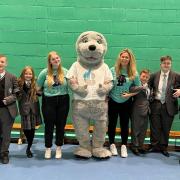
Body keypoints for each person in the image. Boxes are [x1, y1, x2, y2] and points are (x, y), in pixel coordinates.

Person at [108, 48, 141, 158]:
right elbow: (108, 84)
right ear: (120, 58)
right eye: (123, 56)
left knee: (124, 124)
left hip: (126, 102)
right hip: (113, 100)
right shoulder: (113, 70)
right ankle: (112, 144)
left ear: (130, 59)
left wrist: (129, 95)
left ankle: (123, 146)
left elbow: (138, 88)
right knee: (112, 123)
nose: (124, 59)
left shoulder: (134, 73)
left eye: (127, 57)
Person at [37, 51, 69, 159]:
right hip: (49, 101)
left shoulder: (65, 71)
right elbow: (37, 88)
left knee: (61, 125)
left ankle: (59, 147)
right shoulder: (44, 73)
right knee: (49, 125)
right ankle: (48, 148)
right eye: (53, 59)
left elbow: (73, 85)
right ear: (50, 62)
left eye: (57, 58)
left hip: (63, 100)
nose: (56, 60)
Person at [148, 55, 180, 157]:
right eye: (164, 63)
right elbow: (148, 87)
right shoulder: (154, 75)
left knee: (166, 128)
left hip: (169, 105)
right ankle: (154, 145)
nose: (166, 65)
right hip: (156, 104)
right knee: (155, 127)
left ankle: (163, 147)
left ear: (170, 64)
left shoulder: (176, 76)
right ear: (160, 64)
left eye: (168, 63)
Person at [18, 66, 42, 158]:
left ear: (32, 75)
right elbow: (16, 95)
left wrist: (38, 91)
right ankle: (28, 141)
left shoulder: (35, 83)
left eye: (30, 74)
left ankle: (28, 147)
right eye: (26, 73)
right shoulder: (19, 83)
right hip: (24, 109)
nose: (28, 75)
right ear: (23, 74)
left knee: (32, 129)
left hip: (34, 109)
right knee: (26, 129)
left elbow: (40, 93)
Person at [0, 54, 19, 164]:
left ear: (6, 64)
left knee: (6, 133)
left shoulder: (12, 77)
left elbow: (17, 93)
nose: (0, 64)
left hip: (7, 110)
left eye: (2, 62)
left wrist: (8, 99)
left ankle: (4, 153)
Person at [130, 69, 151, 156]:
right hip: (137, 110)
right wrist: (141, 87)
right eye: (143, 76)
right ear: (140, 77)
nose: (145, 78)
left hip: (146, 111)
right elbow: (131, 89)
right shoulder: (136, 85)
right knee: (136, 129)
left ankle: (140, 146)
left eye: (146, 77)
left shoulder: (149, 86)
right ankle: (134, 146)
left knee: (143, 130)